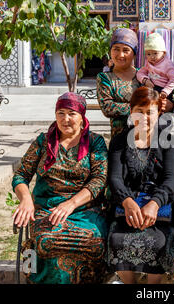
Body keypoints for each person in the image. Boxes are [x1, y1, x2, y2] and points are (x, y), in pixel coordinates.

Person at [11, 92, 109, 284]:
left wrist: (71, 204)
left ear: (82, 116)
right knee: (46, 241)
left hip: (84, 210)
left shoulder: (95, 143)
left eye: (72, 113)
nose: (65, 119)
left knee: (95, 243)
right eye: (61, 113)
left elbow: (99, 179)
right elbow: (20, 175)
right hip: (47, 208)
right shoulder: (43, 141)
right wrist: (26, 199)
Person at [107, 87, 174, 284]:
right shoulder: (120, 141)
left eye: (150, 112)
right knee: (117, 240)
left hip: (159, 211)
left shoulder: (168, 141)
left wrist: (154, 203)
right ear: (131, 112)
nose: (145, 117)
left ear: (160, 114)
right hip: (127, 209)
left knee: (160, 242)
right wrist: (128, 203)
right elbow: (114, 178)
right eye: (139, 110)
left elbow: (170, 179)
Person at [97, 28, 140, 138]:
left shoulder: (143, 75)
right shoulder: (105, 78)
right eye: (116, 49)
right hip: (119, 140)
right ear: (110, 51)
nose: (120, 55)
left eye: (126, 50)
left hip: (145, 137)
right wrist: (141, 108)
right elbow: (107, 107)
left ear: (134, 54)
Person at [136, 32, 174, 113]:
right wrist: (145, 80)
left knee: (162, 108)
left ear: (163, 53)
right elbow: (140, 73)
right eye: (148, 54)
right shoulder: (148, 63)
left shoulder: (168, 65)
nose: (152, 57)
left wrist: (165, 91)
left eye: (155, 53)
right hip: (151, 87)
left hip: (163, 90)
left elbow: (173, 79)